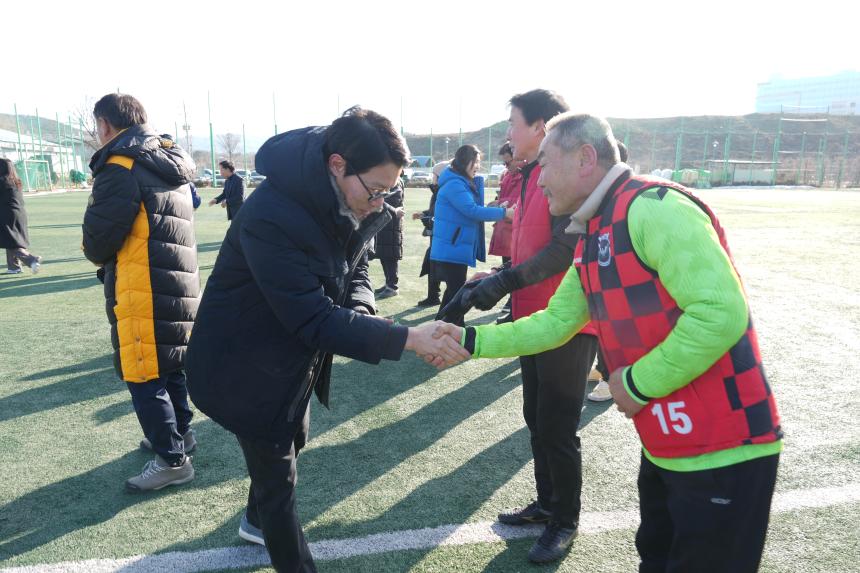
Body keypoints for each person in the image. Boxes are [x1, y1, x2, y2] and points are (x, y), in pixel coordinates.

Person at [436, 112, 782, 573]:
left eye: (545, 164)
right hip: (666, 444)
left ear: (585, 158)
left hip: (724, 445)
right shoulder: (593, 230)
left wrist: (636, 383)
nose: (537, 182)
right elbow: (555, 324)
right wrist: (470, 339)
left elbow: (720, 314)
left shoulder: (655, 207)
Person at [184, 107, 469, 573]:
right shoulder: (272, 214)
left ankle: (254, 519)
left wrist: (360, 311)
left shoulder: (347, 197)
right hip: (242, 368)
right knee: (280, 480)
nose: (380, 202)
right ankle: (275, 536)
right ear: (337, 165)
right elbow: (312, 318)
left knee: (296, 435)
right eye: (375, 190)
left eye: (389, 192)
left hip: (286, 359)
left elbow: (356, 265)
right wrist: (409, 338)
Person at [456, 89, 598, 564]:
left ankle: (566, 519)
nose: (508, 133)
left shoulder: (563, 178)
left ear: (542, 127)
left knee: (558, 426)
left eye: (514, 123)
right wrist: (497, 277)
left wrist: (504, 282)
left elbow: (563, 251)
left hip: (566, 323)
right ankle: (547, 504)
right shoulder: (531, 174)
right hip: (531, 317)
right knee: (536, 417)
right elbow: (528, 245)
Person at [82, 93, 200, 491]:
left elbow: (98, 240)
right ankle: (181, 434)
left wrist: (93, 252)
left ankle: (172, 460)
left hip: (144, 285)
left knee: (143, 373)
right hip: (179, 283)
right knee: (171, 364)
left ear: (106, 126)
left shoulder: (121, 165)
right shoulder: (169, 158)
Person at [430, 145, 513, 326]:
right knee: (456, 290)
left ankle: (442, 323)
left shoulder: (459, 181)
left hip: (455, 246)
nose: (478, 166)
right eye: (476, 162)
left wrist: (497, 207)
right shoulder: (455, 184)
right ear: (465, 161)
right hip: (452, 247)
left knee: (454, 289)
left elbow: (472, 209)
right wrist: (504, 213)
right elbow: (472, 211)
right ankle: (453, 326)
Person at [587, 140, 627, 403]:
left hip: (618, 286)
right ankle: (603, 370)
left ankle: (609, 379)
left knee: (613, 331)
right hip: (602, 284)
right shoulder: (597, 204)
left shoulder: (627, 201)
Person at [486, 141, 524, 322]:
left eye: (508, 162)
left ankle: (514, 306)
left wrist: (502, 203)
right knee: (508, 266)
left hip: (516, 232)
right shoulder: (509, 175)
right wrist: (497, 202)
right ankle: (512, 305)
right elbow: (508, 198)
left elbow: (519, 201)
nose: (506, 166)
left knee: (515, 268)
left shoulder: (525, 175)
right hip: (506, 229)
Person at [412, 160, 449, 307]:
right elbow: (434, 211)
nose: (432, 178)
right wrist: (424, 214)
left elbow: (442, 214)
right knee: (432, 264)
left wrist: (428, 218)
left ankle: (440, 297)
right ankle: (433, 296)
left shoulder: (445, 190)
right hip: (436, 235)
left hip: (444, 236)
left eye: (435, 175)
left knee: (443, 267)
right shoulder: (437, 190)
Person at [0, 159, 41, 275]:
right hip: (19, 213)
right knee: (12, 239)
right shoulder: (15, 181)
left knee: (9, 239)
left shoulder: (2, 181)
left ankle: (31, 259)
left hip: (7, 214)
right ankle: (14, 267)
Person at [372, 178, 405, 299]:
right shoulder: (389, 177)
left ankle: (392, 287)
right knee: (384, 254)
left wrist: (376, 198)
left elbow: (393, 198)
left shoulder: (394, 180)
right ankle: (388, 283)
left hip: (391, 222)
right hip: (385, 222)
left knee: (390, 256)